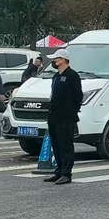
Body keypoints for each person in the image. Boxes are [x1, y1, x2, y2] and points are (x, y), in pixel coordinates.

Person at [44, 48, 82, 184]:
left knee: (65, 145)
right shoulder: (56, 76)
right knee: (56, 145)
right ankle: (59, 171)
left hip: (66, 117)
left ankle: (66, 173)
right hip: (54, 116)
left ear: (63, 60)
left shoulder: (72, 75)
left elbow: (78, 96)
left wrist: (72, 110)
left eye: (56, 59)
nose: (54, 61)